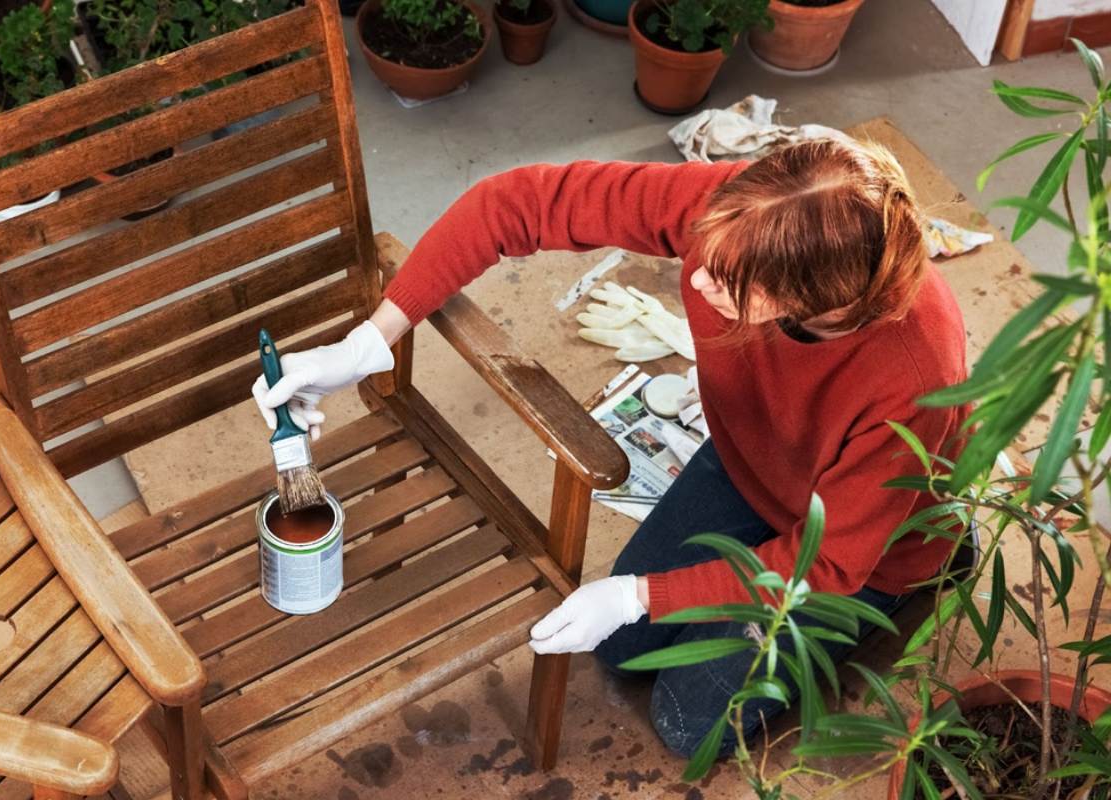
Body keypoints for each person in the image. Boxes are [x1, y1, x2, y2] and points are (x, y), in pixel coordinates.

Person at [251, 138, 969, 760]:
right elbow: (515, 204)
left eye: (727, 286)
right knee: (623, 647)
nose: (696, 278)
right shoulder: (744, 218)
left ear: (813, 303)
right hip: (756, 468)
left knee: (686, 722)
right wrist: (369, 341)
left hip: (855, 551)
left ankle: (931, 570)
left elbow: (832, 562)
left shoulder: (912, 371)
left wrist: (639, 593)